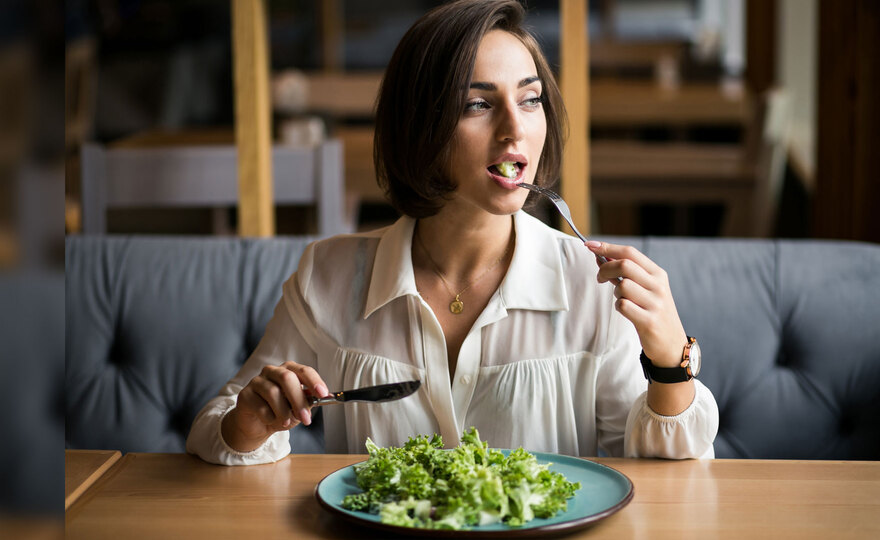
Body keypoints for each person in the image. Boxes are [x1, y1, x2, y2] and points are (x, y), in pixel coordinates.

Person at [186, 0, 718, 466]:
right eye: (478, 104)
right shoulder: (328, 275)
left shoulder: (593, 285)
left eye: (530, 99)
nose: (515, 128)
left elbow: (666, 477)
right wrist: (252, 421)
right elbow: (215, 429)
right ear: (421, 128)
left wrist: (671, 364)